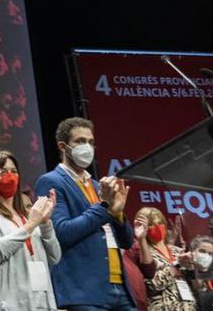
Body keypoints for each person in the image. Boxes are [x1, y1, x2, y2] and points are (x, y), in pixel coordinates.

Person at [34, 117, 136, 311]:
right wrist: (104, 205)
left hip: (119, 286)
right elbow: (62, 233)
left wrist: (118, 215)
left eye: (90, 142)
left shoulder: (98, 186)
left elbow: (127, 242)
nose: (87, 147)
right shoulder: (51, 181)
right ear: (63, 146)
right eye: (80, 141)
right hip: (84, 291)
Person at [0, 150, 60, 311]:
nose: (10, 176)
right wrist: (30, 225)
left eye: (14, 171)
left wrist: (45, 223)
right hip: (11, 304)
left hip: (43, 302)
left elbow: (55, 257)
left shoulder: (28, 214)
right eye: (3, 172)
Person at [128, 207, 196, 311]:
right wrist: (174, 269)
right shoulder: (142, 252)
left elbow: (191, 281)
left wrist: (191, 266)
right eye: (151, 225)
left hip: (188, 307)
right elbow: (151, 285)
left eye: (159, 223)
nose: (157, 227)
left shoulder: (177, 251)